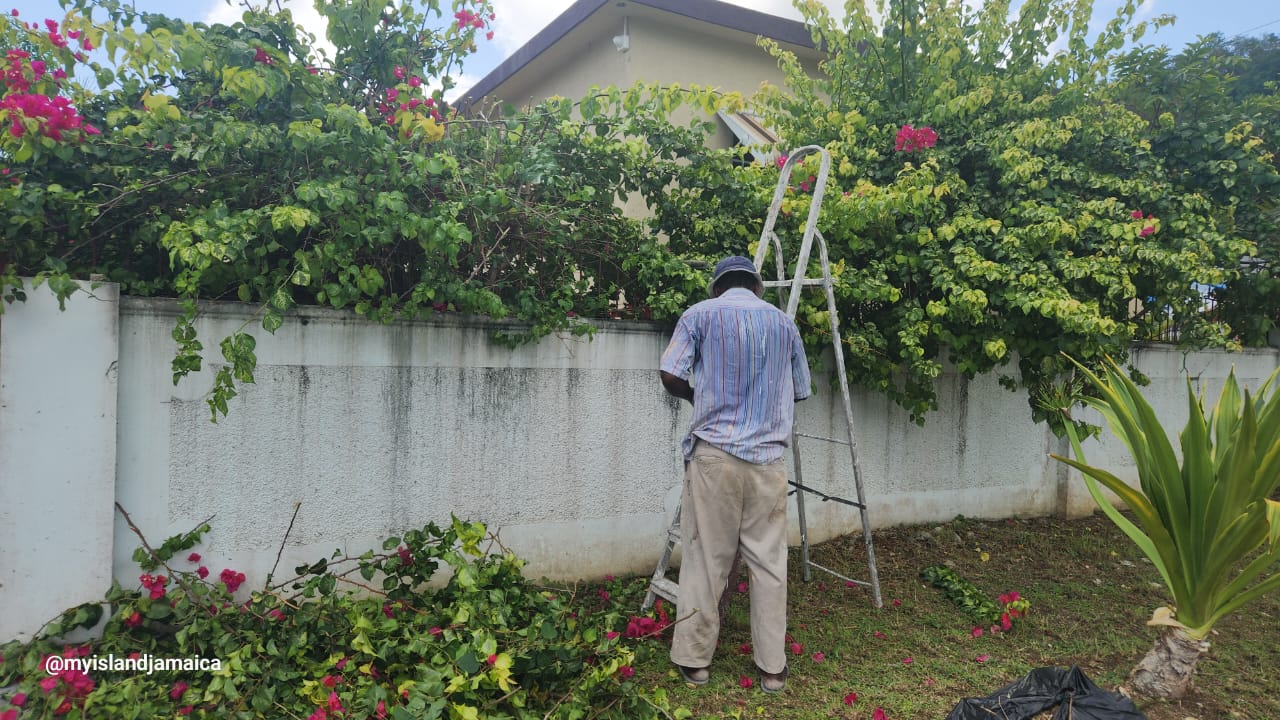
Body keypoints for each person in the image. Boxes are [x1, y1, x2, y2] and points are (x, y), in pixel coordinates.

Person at [658, 255, 811, 694]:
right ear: (756, 286)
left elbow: (669, 373)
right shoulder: (784, 325)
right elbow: (799, 391)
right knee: (769, 563)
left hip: (715, 457)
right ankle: (772, 669)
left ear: (718, 285)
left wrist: (700, 396)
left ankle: (695, 661)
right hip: (768, 462)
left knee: (707, 559)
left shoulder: (700, 315)